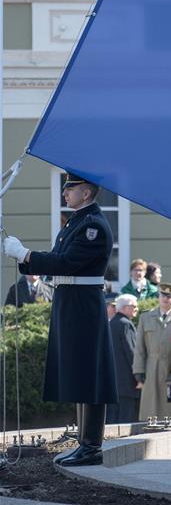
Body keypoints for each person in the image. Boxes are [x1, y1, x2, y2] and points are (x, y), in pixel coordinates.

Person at [3, 172, 116, 466]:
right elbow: (57, 260)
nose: (65, 194)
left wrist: (25, 253)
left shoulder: (93, 226)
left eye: (71, 189)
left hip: (83, 305)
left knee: (89, 375)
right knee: (79, 373)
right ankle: (84, 442)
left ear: (87, 193)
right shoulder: (77, 222)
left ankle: (92, 446)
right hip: (71, 303)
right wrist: (24, 258)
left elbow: (66, 262)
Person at [133, 283, 171, 420]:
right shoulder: (146, 317)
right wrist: (138, 370)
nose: (165, 299)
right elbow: (139, 347)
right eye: (162, 295)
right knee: (151, 404)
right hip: (152, 366)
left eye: (169, 296)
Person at [107, 294, 140, 423]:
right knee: (125, 418)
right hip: (126, 381)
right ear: (125, 308)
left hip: (113, 381)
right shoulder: (126, 324)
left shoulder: (111, 323)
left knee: (112, 419)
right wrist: (139, 376)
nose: (136, 308)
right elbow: (132, 353)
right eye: (134, 306)